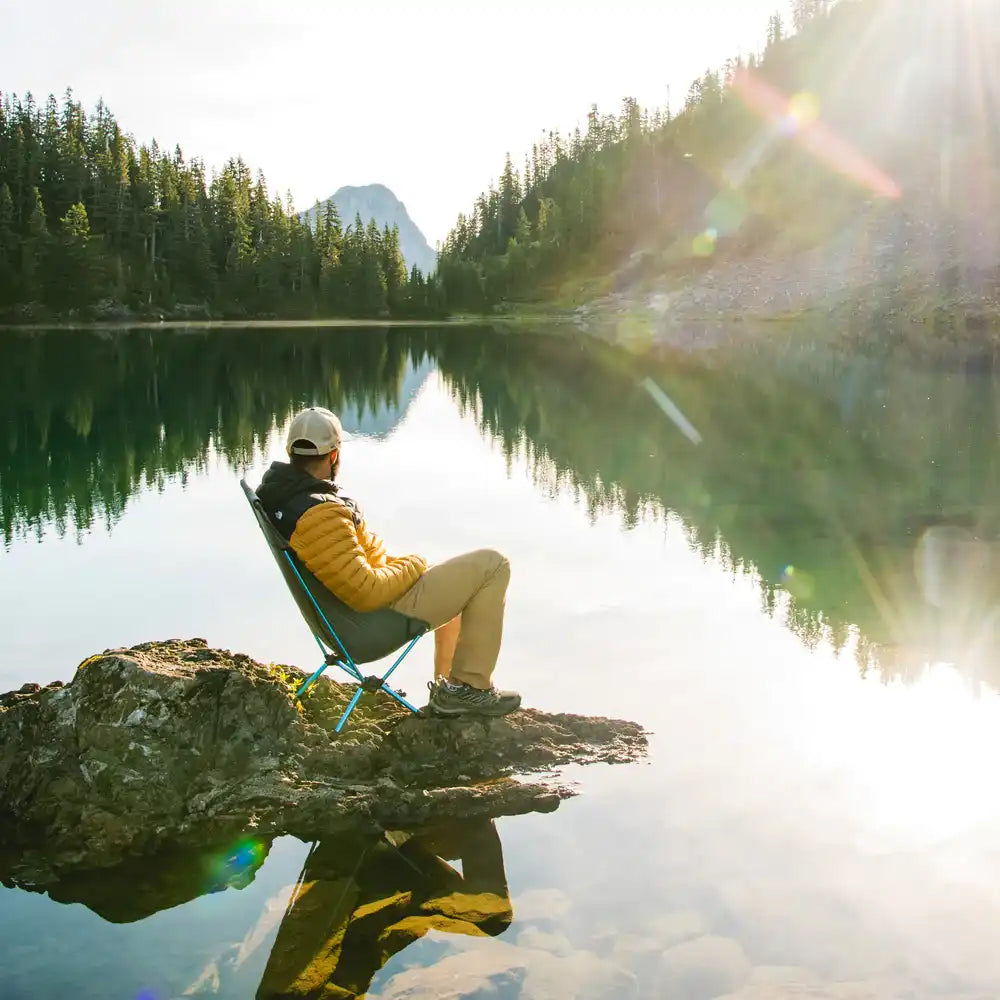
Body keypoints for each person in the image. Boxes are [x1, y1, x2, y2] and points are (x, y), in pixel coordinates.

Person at [256, 406, 520, 716]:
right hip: (367, 627)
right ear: (334, 455)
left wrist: (406, 568)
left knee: (460, 578)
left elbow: (354, 570)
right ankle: (470, 689)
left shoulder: (287, 496)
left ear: (291, 452)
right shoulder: (319, 515)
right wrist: (414, 564)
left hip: (346, 619)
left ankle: (452, 691)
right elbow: (367, 591)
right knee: (493, 565)